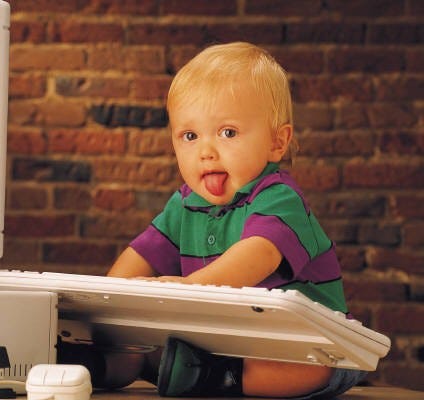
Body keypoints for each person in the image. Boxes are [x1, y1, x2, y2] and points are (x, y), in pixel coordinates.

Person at [59, 42, 366, 398]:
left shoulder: (279, 198)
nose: (206, 151)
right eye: (190, 136)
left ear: (276, 142)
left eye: (228, 133)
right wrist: (105, 303)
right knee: (133, 347)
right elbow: (139, 257)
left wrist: (189, 288)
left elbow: (257, 255)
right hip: (221, 343)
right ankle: (91, 365)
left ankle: (215, 377)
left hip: (302, 343)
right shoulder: (185, 204)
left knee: (303, 367)